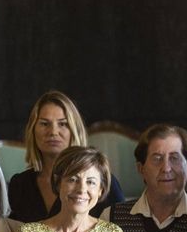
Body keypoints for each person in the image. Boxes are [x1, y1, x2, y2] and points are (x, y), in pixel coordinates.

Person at [8, 90, 123, 222]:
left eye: (62, 124)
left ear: (75, 130)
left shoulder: (99, 182)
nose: (53, 132)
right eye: (45, 124)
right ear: (32, 130)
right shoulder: (20, 185)